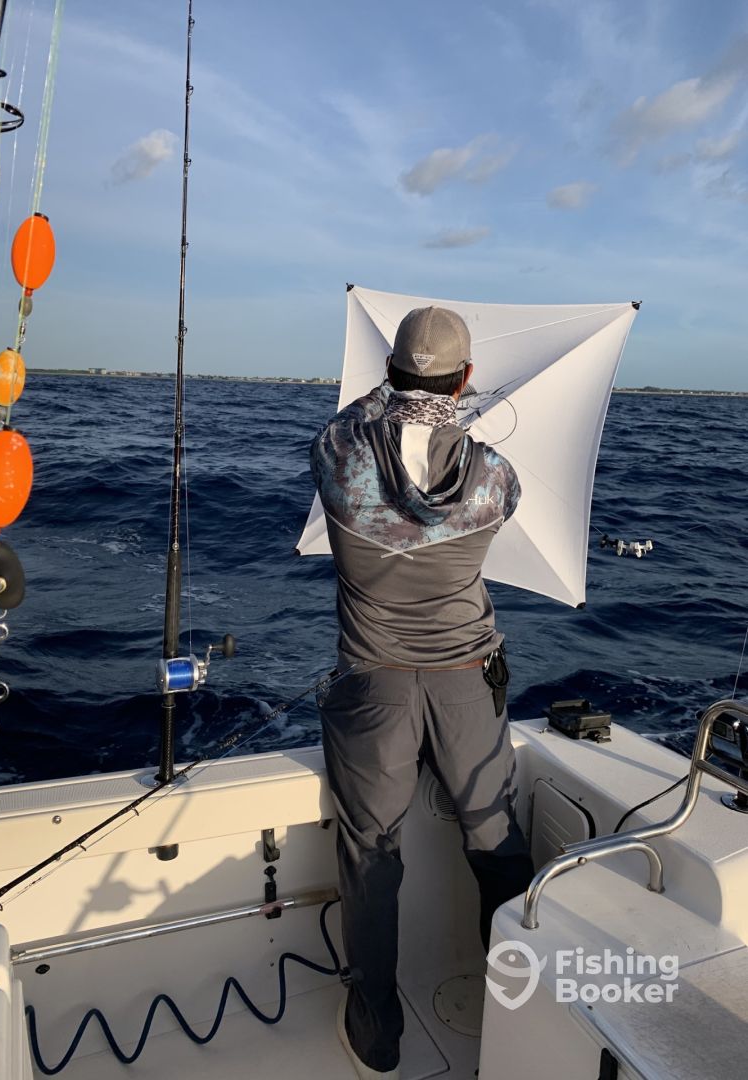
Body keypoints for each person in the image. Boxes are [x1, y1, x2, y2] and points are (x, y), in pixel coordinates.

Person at [310, 306, 534, 1078]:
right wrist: (450, 413)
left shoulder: (339, 456)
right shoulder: (496, 478)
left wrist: (394, 395)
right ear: (465, 380)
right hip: (470, 679)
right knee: (496, 840)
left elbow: (357, 417)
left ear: (389, 373)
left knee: (373, 851)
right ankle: (522, 1005)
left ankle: (377, 1028)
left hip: (373, 687)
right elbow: (455, 463)